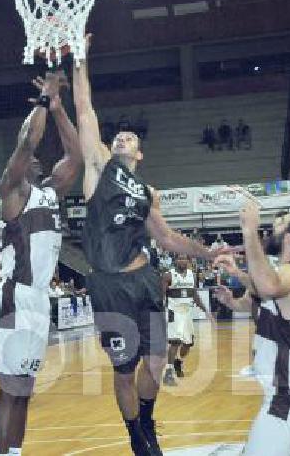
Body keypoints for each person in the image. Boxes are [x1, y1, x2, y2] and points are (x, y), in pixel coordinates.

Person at [72, 34, 229, 456]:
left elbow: (167, 237)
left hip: (142, 278)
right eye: (117, 137)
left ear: (139, 153)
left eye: (128, 139)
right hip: (107, 285)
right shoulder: (98, 168)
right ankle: (135, 435)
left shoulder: (146, 192)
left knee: (156, 361)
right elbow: (85, 110)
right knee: (123, 371)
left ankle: (146, 415)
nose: (121, 140)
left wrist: (207, 252)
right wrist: (80, 58)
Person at [0, 71, 81, 456]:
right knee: (9, 388)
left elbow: (77, 156)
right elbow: (26, 141)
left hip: (38, 299)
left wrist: (59, 108)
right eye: (31, 159)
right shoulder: (13, 191)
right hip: (13, 296)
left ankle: (14, 452)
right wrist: (41, 103)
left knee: (24, 389)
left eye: (39, 159)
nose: (36, 158)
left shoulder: (51, 193)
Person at [212, 204, 290, 455]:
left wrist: (249, 231)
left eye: (278, 226)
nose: (271, 229)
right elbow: (264, 290)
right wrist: (237, 274)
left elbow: (268, 287)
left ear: (289, 238)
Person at [161, 253, 209, 386]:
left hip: (187, 313)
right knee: (175, 342)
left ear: (188, 261)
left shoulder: (192, 275)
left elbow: (195, 295)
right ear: (176, 260)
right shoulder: (168, 275)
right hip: (174, 312)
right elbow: (161, 296)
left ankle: (178, 361)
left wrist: (206, 311)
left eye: (184, 258)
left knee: (188, 344)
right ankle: (168, 373)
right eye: (180, 258)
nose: (182, 260)